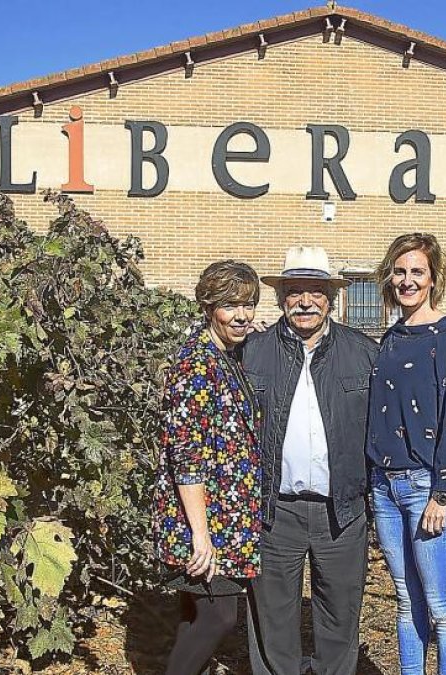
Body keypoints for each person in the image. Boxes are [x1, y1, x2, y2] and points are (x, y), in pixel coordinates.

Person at [242, 245, 379, 675]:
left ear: (331, 298)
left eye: (315, 292)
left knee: (340, 616)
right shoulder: (251, 352)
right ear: (282, 296)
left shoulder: (363, 353)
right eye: (295, 291)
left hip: (341, 509)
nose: (304, 302)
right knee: (272, 616)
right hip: (274, 510)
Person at [367, 233, 446, 675]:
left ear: (433, 279)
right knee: (405, 598)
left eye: (417, 272)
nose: (407, 280)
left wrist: (444, 493)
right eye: (399, 271)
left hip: (425, 487)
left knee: (444, 604)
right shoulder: (392, 337)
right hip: (385, 486)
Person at [155, 260, 263, 675]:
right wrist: (201, 535)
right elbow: (186, 455)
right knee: (220, 617)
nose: (242, 315)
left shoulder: (225, 357)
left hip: (223, 517)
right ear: (207, 306)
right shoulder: (196, 364)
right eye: (230, 305)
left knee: (194, 618)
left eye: (248, 304)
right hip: (202, 520)